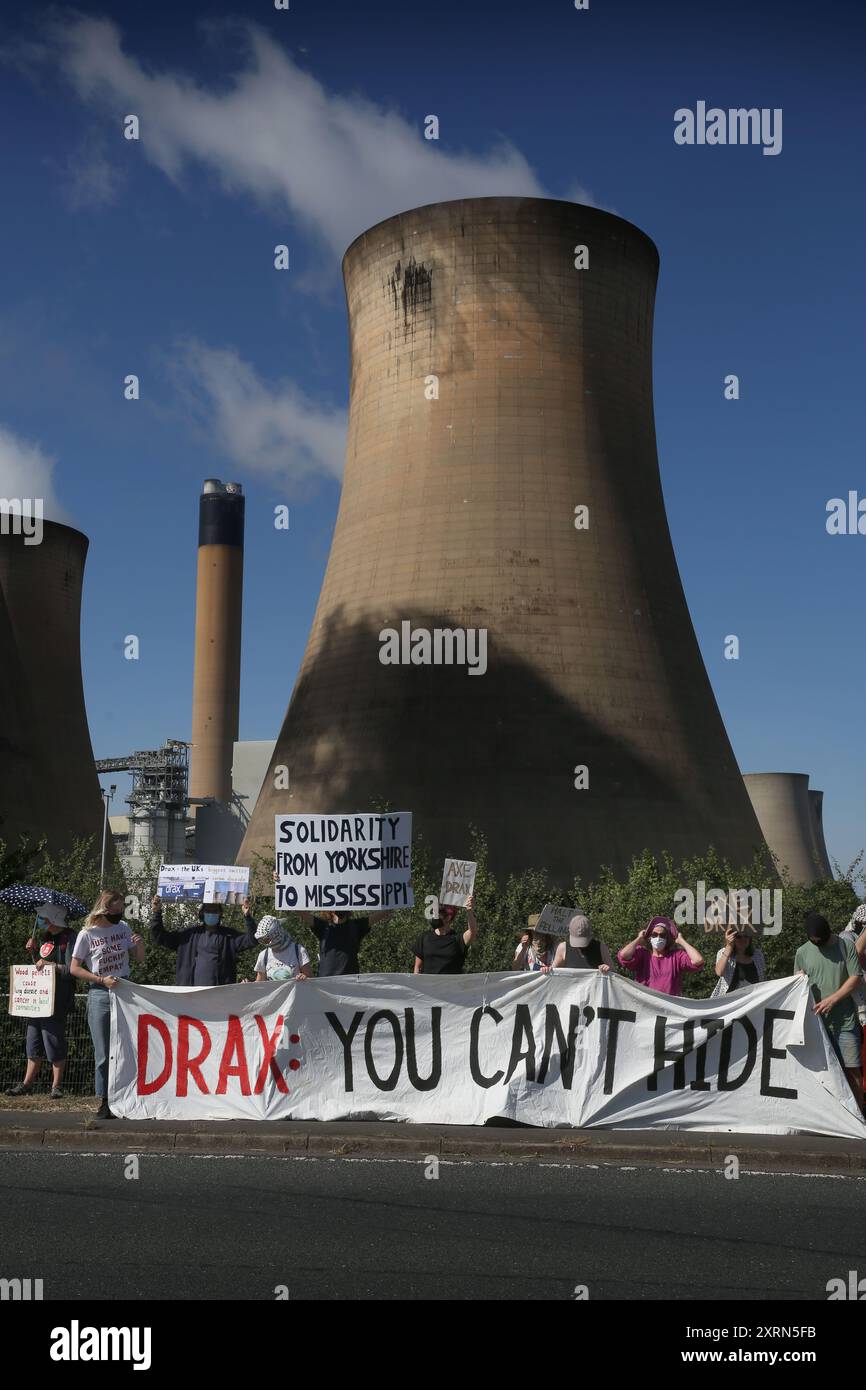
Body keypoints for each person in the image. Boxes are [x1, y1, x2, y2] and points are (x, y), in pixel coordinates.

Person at [71, 891, 144, 1119]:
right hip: (100, 993)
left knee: (127, 1047)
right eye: (116, 909)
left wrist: (139, 945)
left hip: (124, 990)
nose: (119, 913)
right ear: (105, 909)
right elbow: (75, 967)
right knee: (103, 1051)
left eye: (122, 909)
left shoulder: (123, 927)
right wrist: (101, 980)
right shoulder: (87, 934)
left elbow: (138, 958)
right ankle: (104, 1100)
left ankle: (128, 1096)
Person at [5, 903, 77, 1100]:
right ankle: (27, 1083)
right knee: (33, 1041)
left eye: (44, 918)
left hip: (57, 1000)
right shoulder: (47, 937)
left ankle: (56, 1086)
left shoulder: (70, 937)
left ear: (53, 919)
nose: (41, 922)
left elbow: (72, 969)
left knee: (53, 1041)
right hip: (39, 999)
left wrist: (51, 965)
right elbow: (38, 967)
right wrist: (33, 952)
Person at [795, 911, 864, 1112]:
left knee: (852, 1070)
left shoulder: (845, 945)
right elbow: (797, 986)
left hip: (845, 1020)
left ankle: (858, 1117)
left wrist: (832, 999)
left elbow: (855, 978)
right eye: (813, 940)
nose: (818, 943)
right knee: (823, 1073)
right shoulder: (802, 952)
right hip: (816, 1023)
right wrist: (799, 979)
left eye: (821, 940)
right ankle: (833, 1116)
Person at [148, 894, 260, 986]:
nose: (211, 913)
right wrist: (157, 913)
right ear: (202, 913)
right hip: (191, 994)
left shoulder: (229, 936)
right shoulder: (189, 935)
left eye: (215, 911)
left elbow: (252, 939)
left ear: (220, 914)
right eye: (208, 910)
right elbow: (160, 937)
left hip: (220, 994)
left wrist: (247, 916)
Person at [617, 915, 704, 996]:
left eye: (662, 935)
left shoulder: (676, 956)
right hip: (646, 1005)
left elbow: (698, 960)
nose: (658, 938)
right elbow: (624, 955)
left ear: (667, 938)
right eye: (654, 935)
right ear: (650, 937)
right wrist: (639, 938)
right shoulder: (642, 954)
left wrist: (682, 941)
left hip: (669, 1007)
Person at [301, 908, 392, 977]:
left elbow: (383, 913)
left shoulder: (357, 926)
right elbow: (301, 912)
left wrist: (403, 893)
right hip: (326, 985)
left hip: (350, 984)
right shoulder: (323, 926)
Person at [413, 895, 476, 974]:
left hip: (451, 986)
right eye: (433, 913)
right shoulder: (424, 938)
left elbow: (472, 931)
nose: (433, 916)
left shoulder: (457, 940)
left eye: (437, 914)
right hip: (428, 986)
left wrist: (469, 910)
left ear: (448, 918)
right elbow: (417, 967)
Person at [711, 923, 766, 996]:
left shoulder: (757, 954)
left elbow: (762, 979)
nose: (743, 939)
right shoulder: (723, 952)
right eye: (738, 936)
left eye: (746, 936)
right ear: (732, 938)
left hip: (752, 999)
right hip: (729, 1001)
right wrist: (729, 947)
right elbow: (719, 972)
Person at [253, 917, 313, 981]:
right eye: (262, 940)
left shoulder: (299, 951)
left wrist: (304, 977)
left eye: (266, 939)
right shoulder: (263, 955)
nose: (264, 942)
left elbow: (311, 979)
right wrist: (246, 986)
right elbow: (259, 984)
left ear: (276, 934)